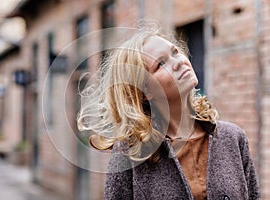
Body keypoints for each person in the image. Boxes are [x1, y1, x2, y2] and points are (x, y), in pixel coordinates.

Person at [77, 27, 260, 200]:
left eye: (175, 52)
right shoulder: (131, 154)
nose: (179, 62)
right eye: (161, 64)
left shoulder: (233, 138)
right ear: (144, 92)